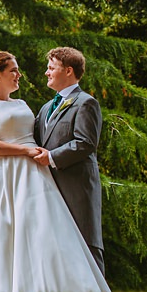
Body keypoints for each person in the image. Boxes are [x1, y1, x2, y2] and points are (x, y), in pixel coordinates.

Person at [0, 51, 110, 292]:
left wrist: (44, 156)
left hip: (40, 177)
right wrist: (25, 151)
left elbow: (78, 143)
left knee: (53, 237)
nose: (21, 75)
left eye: (51, 67)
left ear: (68, 71)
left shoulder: (32, 105)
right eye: (13, 71)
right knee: (5, 237)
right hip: (6, 174)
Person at [32, 47, 106, 278]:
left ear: (69, 71)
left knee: (86, 248)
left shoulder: (86, 103)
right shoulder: (45, 109)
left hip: (77, 190)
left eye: (51, 68)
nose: (46, 72)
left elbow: (85, 143)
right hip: (47, 190)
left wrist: (51, 157)